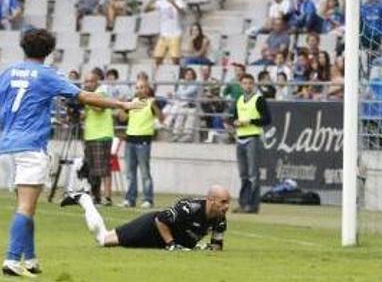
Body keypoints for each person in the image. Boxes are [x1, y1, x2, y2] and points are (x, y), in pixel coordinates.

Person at [0, 28, 140, 277]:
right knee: (25, 207)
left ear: (23, 47)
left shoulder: (8, 72)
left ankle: (30, 259)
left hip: (7, 147)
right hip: (31, 146)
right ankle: (12, 259)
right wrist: (122, 103)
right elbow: (84, 96)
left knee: (27, 206)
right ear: (49, 51)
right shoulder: (46, 75)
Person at [61, 185, 229, 251]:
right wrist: (171, 245)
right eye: (223, 202)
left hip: (161, 242)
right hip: (151, 227)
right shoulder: (189, 207)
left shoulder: (220, 219)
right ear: (210, 200)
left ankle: (83, 198)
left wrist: (205, 248)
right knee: (103, 240)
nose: (227, 206)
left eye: (227, 202)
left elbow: (217, 246)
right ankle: (83, 199)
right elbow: (160, 219)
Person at [227, 74, 271, 214]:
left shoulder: (259, 100)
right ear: (241, 85)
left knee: (253, 174)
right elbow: (234, 116)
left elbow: (267, 119)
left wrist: (250, 121)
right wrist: (233, 122)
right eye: (245, 83)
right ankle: (244, 203)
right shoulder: (239, 100)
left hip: (253, 137)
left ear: (253, 85)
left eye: (250, 83)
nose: (247, 86)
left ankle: (252, 205)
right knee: (243, 174)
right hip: (240, 137)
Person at [117, 79, 162, 209]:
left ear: (147, 89)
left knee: (144, 172)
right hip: (130, 140)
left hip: (143, 141)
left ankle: (148, 199)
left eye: (142, 87)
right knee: (130, 173)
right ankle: (130, 199)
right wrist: (121, 106)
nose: (139, 90)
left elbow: (161, 117)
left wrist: (154, 105)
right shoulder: (133, 103)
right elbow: (123, 118)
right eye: (137, 87)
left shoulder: (151, 102)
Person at [81, 71, 115, 206]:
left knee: (103, 168)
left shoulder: (101, 93)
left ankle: (107, 197)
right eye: (86, 81)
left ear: (97, 82)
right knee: (91, 169)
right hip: (90, 135)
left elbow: (99, 108)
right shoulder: (88, 96)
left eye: (91, 81)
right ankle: (96, 197)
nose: (88, 84)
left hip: (102, 135)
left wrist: (85, 101)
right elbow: (87, 113)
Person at [146, 0, 187, 66]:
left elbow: (183, 13)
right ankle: (158, 76)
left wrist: (174, 4)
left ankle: (176, 74)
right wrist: (150, 1)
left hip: (175, 34)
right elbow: (147, 9)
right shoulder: (160, 3)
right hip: (164, 34)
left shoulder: (179, 2)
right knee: (158, 58)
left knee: (175, 59)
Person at [164, 67, 199, 141]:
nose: (188, 76)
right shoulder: (182, 84)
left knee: (189, 119)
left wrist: (175, 94)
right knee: (179, 118)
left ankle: (187, 135)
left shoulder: (195, 84)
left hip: (191, 106)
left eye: (190, 74)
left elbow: (186, 93)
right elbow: (178, 93)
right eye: (187, 74)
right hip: (182, 105)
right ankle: (176, 134)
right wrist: (173, 94)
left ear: (193, 76)